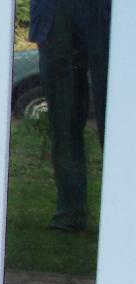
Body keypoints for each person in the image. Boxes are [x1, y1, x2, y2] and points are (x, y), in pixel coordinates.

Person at [29, 0, 111, 232]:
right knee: (63, 119)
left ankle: (123, 209)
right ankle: (70, 213)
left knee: (117, 117)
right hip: (55, 10)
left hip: (111, 10)